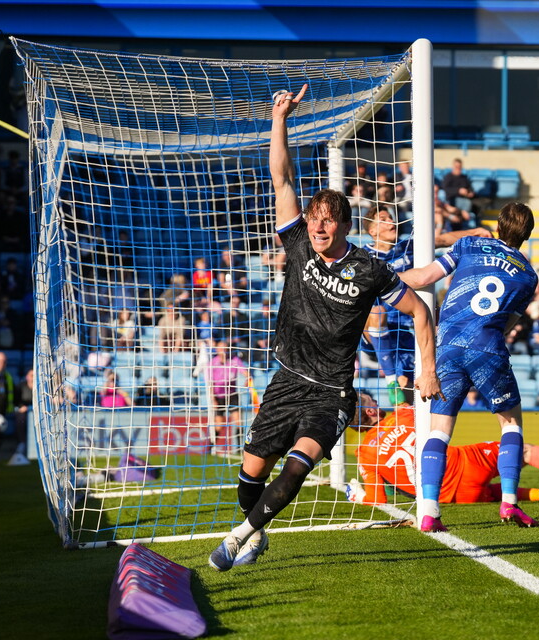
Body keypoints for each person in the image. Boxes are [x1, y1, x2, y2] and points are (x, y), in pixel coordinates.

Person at [208, 84, 442, 571]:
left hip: (332, 392)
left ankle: (237, 537)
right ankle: (256, 531)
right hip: (285, 379)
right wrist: (279, 118)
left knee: (296, 468)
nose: (318, 227)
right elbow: (282, 179)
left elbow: (420, 312)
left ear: (343, 224)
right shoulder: (296, 245)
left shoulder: (370, 270)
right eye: (314, 218)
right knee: (250, 476)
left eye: (327, 220)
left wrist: (428, 370)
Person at [400, 200, 539, 531]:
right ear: (527, 234)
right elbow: (507, 326)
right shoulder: (528, 276)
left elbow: (422, 278)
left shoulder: (471, 243)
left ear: (499, 224)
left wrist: (378, 280)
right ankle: (509, 504)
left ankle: (430, 512)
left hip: (447, 347)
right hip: (487, 349)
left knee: (439, 430)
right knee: (511, 426)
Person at [348, 394, 539, 506]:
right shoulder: (406, 413)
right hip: (464, 465)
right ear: (371, 408)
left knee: (490, 493)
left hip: (449, 498)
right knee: (522, 451)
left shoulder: (363, 453)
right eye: (367, 397)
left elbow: (379, 501)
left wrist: (357, 496)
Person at [361, 207, 489, 404]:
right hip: (378, 332)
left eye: (391, 218)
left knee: (413, 399)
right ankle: (390, 380)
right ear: (372, 231)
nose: (391, 222)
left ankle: (415, 424)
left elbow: (443, 240)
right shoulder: (364, 257)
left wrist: (474, 232)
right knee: (377, 313)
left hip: (410, 329)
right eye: (384, 219)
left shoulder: (407, 247)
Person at [207, 340, 249, 453]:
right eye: (221, 349)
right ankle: (210, 447)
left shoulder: (234, 360)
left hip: (232, 394)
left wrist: (247, 378)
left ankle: (240, 448)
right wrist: (213, 399)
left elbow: (245, 372)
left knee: (238, 421)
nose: (223, 351)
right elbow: (210, 383)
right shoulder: (212, 363)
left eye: (225, 349)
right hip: (218, 396)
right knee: (219, 425)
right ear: (217, 350)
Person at [11, 368, 34, 465]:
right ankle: (22, 443)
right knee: (21, 417)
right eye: (31, 375)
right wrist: (22, 407)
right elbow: (16, 402)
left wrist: (29, 408)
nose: (33, 378)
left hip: (35, 412)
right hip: (24, 413)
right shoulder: (21, 387)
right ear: (27, 377)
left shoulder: (41, 387)